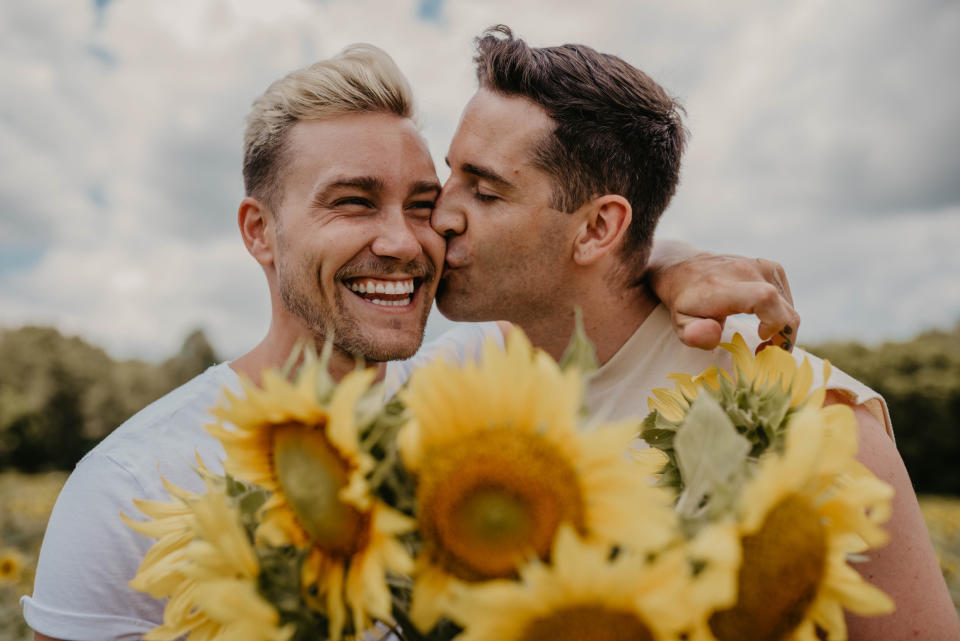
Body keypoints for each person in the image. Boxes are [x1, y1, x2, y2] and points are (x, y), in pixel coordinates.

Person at [23, 44, 800, 641]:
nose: (403, 241)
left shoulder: (488, 379)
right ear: (260, 232)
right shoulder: (125, 492)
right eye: (354, 203)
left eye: (422, 203)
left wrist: (673, 261)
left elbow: (584, 274)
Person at [430, 25, 959, 639]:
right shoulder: (450, 386)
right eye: (451, 176)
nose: (441, 214)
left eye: (485, 191)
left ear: (599, 228)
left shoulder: (817, 424)